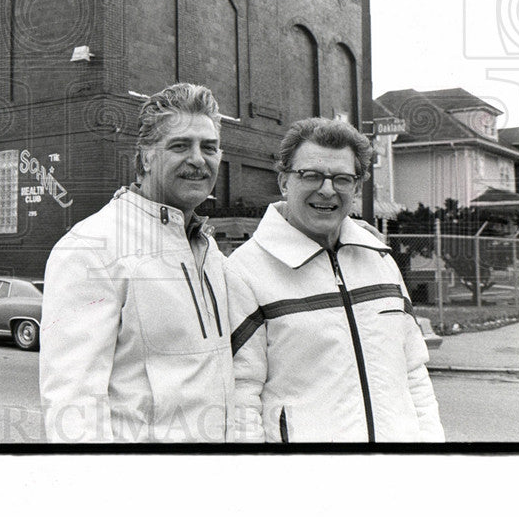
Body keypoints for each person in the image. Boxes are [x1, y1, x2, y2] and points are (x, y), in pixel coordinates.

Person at [225, 117, 444, 443]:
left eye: (342, 178)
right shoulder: (245, 272)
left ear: (356, 187)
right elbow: (242, 398)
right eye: (310, 175)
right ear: (284, 181)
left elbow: (413, 373)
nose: (327, 189)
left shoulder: (380, 259)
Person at [39, 83, 233, 442]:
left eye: (209, 147)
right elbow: (74, 405)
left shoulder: (208, 249)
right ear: (145, 156)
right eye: (180, 145)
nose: (198, 159)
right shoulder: (91, 248)